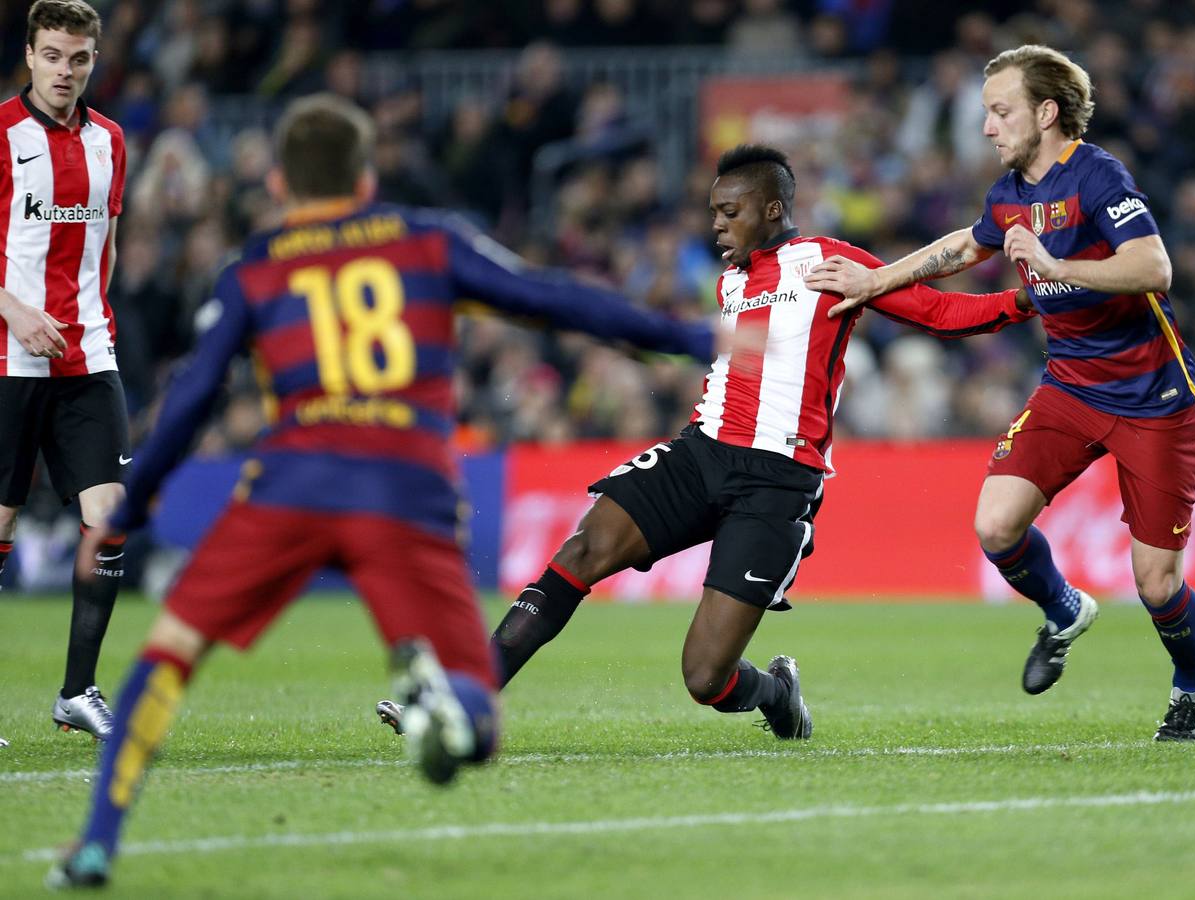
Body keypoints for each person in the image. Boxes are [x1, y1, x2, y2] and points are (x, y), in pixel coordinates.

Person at [46, 92, 718, 890]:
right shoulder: (426, 241)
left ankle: (95, 845)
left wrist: (127, 509)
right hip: (407, 490)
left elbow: (193, 399)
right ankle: (442, 706)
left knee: (168, 655)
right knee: (480, 722)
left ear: (282, 187)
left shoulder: (258, 266)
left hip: (290, 484)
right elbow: (552, 297)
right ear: (367, 178)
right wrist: (689, 338)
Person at [384, 144, 1031, 742]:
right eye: (712, 212)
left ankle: (775, 692)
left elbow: (941, 313)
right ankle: (459, 697)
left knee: (704, 677)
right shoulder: (727, 284)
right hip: (700, 454)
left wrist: (1027, 300)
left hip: (777, 480)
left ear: (772, 209)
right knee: (582, 549)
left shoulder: (829, 264)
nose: (717, 225)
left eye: (731, 211)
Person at [803, 45, 1195, 741]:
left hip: (1156, 402)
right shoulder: (1012, 194)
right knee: (995, 525)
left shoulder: (1096, 174)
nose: (987, 127)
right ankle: (1063, 610)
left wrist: (1058, 265)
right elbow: (966, 246)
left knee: (1157, 586)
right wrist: (876, 282)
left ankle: (1192, 684)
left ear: (1046, 113)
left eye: (1001, 112)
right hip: (1072, 389)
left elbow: (1155, 266)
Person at [0, 0, 128, 743]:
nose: (64, 71)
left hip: (87, 356)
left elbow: (106, 245)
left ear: (91, 62)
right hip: (9, 355)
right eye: (52, 55)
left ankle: (77, 692)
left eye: (77, 58)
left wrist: (96, 323)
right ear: (29, 55)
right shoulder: (2, 133)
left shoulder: (111, 140)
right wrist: (13, 310)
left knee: (109, 520)